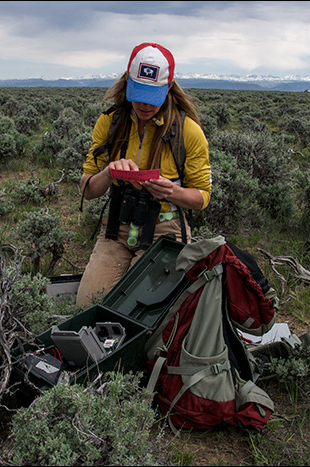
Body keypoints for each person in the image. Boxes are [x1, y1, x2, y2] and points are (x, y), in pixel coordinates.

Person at [76, 42, 212, 306]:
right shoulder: (110, 123)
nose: (144, 105)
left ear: (168, 88)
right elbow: (87, 189)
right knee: (89, 305)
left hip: (165, 230)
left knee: (139, 313)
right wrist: (108, 173)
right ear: (127, 82)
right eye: (137, 94)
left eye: (152, 97)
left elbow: (202, 196)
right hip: (117, 225)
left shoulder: (188, 131)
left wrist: (172, 192)